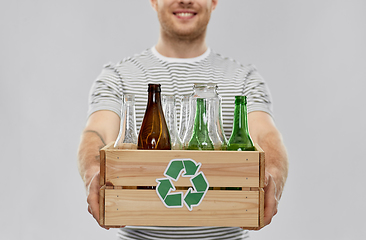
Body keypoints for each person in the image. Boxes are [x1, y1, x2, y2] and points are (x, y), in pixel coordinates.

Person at [77, 0, 288, 239]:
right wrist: (93, 172)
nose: (185, 0)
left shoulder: (244, 79)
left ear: (214, 2)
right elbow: (97, 133)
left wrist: (273, 177)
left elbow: (266, 136)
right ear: (154, 1)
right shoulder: (118, 77)